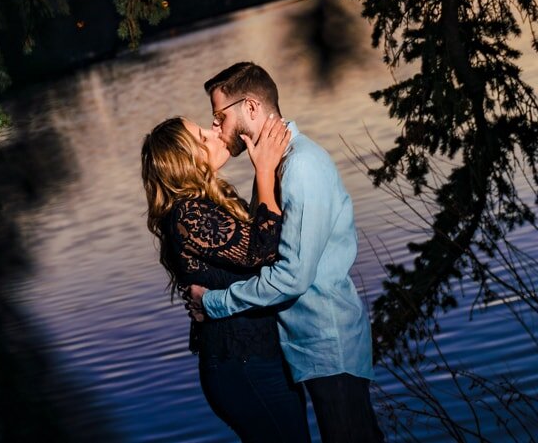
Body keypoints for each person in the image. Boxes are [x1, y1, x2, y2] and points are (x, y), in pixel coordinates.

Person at [189, 61, 385, 443]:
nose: (216, 128)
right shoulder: (276, 168)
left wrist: (215, 302)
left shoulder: (301, 167)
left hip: (328, 346)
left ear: (250, 107)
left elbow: (292, 277)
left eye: (218, 116)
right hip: (306, 347)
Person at [141, 114, 309, 443]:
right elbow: (262, 251)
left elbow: (257, 235)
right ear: (185, 162)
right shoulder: (188, 214)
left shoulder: (206, 204)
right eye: (203, 138)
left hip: (258, 358)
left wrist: (268, 168)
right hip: (243, 366)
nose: (215, 134)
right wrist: (263, 169)